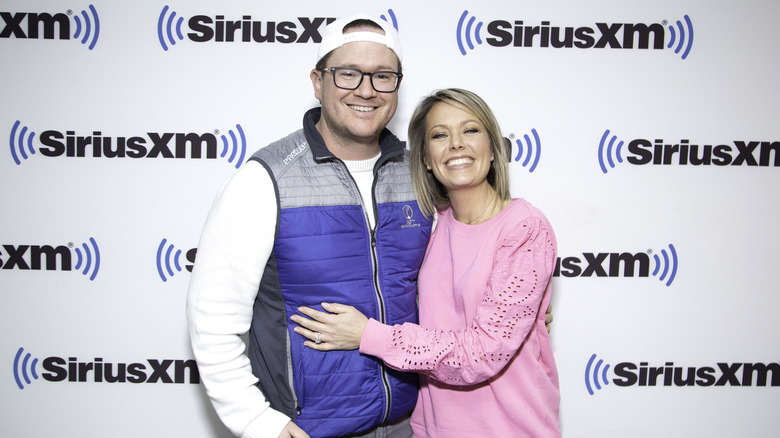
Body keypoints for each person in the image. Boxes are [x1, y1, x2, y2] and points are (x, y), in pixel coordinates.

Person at [186, 14, 432, 438]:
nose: (367, 90)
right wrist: (257, 422)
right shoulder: (265, 179)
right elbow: (212, 316)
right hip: (307, 430)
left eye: (383, 76)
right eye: (348, 73)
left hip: (412, 425)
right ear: (318, 82)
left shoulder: (420, 173)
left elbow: (457, 269)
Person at [291, 88, 561, 437]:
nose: (456, 144)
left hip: (510, 427)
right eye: (439, 135)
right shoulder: (429, 223)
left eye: (470, 130)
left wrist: (367, 335)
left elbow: (482, 353)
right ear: (426, 159)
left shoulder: (524, 227)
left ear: (493, 149)